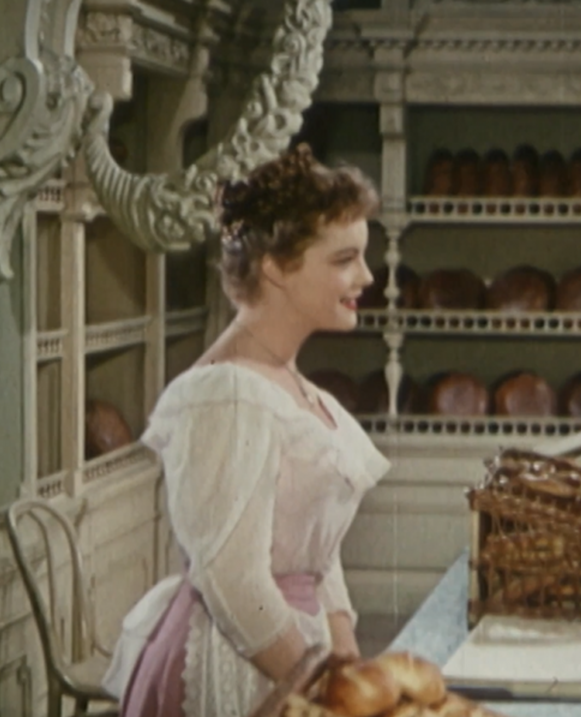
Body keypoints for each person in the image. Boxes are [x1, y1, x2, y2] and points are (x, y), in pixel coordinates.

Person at [100, 143, 389, 717]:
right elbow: (233, 581)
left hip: (298, 653)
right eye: (344, 259)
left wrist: (349, 669)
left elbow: (319, 556)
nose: (366, 275)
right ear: (276, 268)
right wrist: (320, 689)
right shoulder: (226, 395)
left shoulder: (290, 385)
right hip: (240, 666)